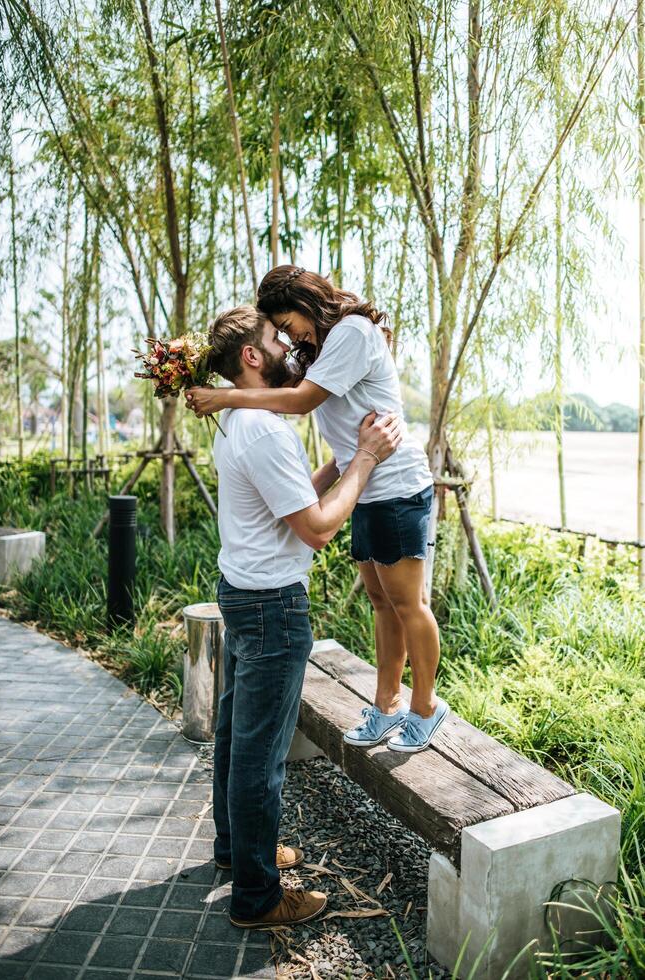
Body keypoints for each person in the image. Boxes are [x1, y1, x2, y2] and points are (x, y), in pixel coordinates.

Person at [186, 267, 449, 755]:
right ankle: (386, 705)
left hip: (394, 484)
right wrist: (347, 463)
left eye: (288, 324)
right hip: (366, 486)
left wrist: (224, 396)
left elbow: (303, 402)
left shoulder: (351, 331)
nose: (290, 337)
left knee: (409, 604)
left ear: (306, 301)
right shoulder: (321, 348)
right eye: (281, 333)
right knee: (381, 602)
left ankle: (426, 708)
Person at [200, 305, 402, 930]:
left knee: (237, 736)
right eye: (275, 338)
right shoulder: (263, 429)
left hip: (242, 592)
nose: (288, 345)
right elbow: (314, 527)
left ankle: (238, 852)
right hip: (272, 609)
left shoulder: (240, 418)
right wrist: (366, 459)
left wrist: (340, 464)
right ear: (253, 358)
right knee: (260, 756)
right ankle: (258, 897)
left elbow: (286, 498)